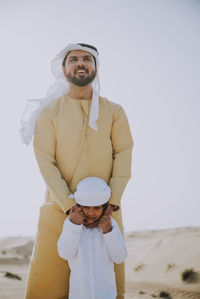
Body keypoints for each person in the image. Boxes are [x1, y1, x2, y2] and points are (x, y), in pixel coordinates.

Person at [22, 43, 133, 299]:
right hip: (58, 211)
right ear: (63, 69)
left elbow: (124, 153)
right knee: (48, 285)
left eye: (87, 59)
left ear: (95, 68)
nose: (80, 63)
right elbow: (45, 160)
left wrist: (111, 204)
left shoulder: (115, 112)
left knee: (108, 283)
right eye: (74, 59)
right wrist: (70, 207)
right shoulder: (49, 113)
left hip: (106, 211)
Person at [57, 177, 127, 299]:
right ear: (79, 206)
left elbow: (120, 257)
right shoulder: (71, 225)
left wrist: (108, 232)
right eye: (86, 207)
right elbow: (65, 253)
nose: (91, 213)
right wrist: (73, 226)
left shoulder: (111, 225)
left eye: (97, 208)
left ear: (105, 208)